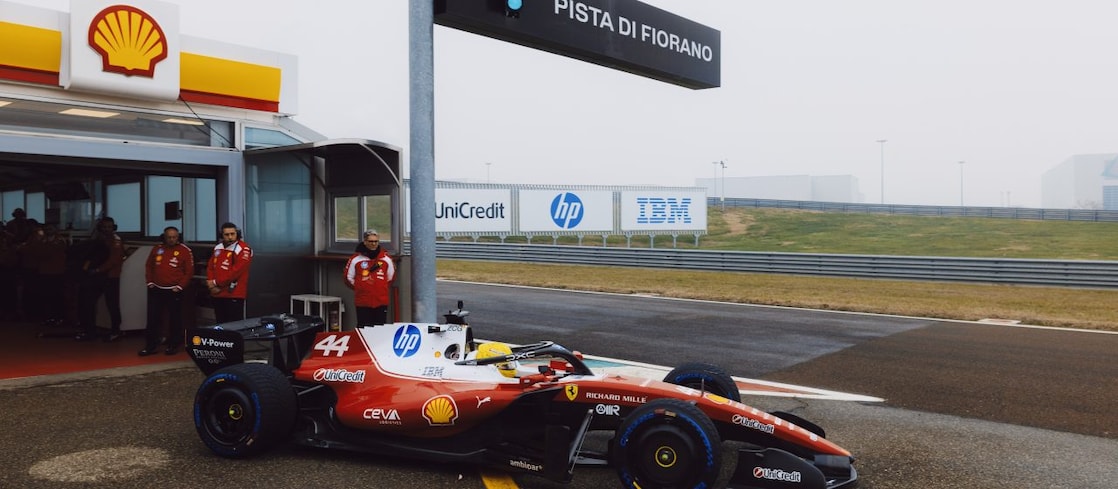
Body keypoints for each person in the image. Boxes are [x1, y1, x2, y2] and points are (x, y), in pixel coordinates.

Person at [139, 226, 193, 356]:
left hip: (174, 290)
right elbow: (149, 266)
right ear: (164, 237)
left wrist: (180, 286)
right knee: (152, 319)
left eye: (174, 237)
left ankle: (173, 345)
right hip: (156, 289)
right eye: (169, 237)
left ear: (178, 237)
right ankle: (151, 346)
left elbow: (189, 271)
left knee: (175, 319)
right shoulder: (157, 249)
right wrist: (150, 282)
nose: (171, 239)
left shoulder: (185, 251)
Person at [343, 229, 395, 326]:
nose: (373, 244)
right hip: (363, 301)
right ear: (365, 242)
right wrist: (360, 287)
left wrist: (380, 287)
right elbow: (348, 278)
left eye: (376, 241)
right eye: (371, 241)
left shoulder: (386, 259)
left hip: (381, 301)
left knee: (380, 329)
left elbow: (390, 277)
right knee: (363, 329)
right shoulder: (355, 259)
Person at [205, 222, 252, 324]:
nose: (230, 237)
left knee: (235, 325)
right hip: (217, 293)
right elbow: (210, 267)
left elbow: (235, 272)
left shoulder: (243, 249)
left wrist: (216, 283)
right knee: (220, 323)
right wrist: (212, 285)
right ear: (221, 235)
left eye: (232, 234)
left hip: (234, 294)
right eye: (227, 235)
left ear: (237, 234)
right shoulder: (218, 248)